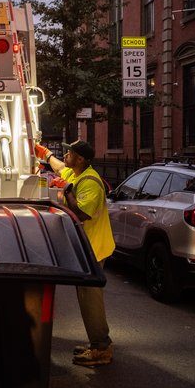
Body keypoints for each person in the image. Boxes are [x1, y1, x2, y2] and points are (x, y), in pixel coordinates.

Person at [34, 139, 116, 366]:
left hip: (94, 248)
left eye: (69, 153)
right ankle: (97, 343)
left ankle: (101, 348)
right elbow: (60, 167)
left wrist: (66, 190)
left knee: (91, 299)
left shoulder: (90, 182)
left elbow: (80, 214)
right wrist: (45, 153)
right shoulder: (75, 172)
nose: (66, 155)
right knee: (86, 297)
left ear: (80, 159)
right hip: (86, 246)